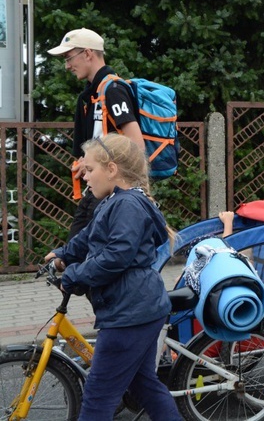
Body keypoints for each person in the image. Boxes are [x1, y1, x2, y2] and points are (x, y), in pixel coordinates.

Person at [43, 134, 180, 420]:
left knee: (97, 398)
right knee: (143, 386)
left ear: (112, 169)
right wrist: (63, 255)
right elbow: (88, 237)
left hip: (130, 312)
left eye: (90, 170)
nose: (85, 178)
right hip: (136, 308)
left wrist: (74, 275)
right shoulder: (115, 201)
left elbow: (117, 255)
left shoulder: (126, 205)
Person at [47, 28, 145, 240]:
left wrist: (100, 164)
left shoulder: (113, 90)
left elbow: (136, 145)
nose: (67, 65)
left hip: (114, 192)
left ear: (88, 54)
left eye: (69, 57)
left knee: (88, 255)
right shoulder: (91, 94)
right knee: (72, 252)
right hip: (98, 190)